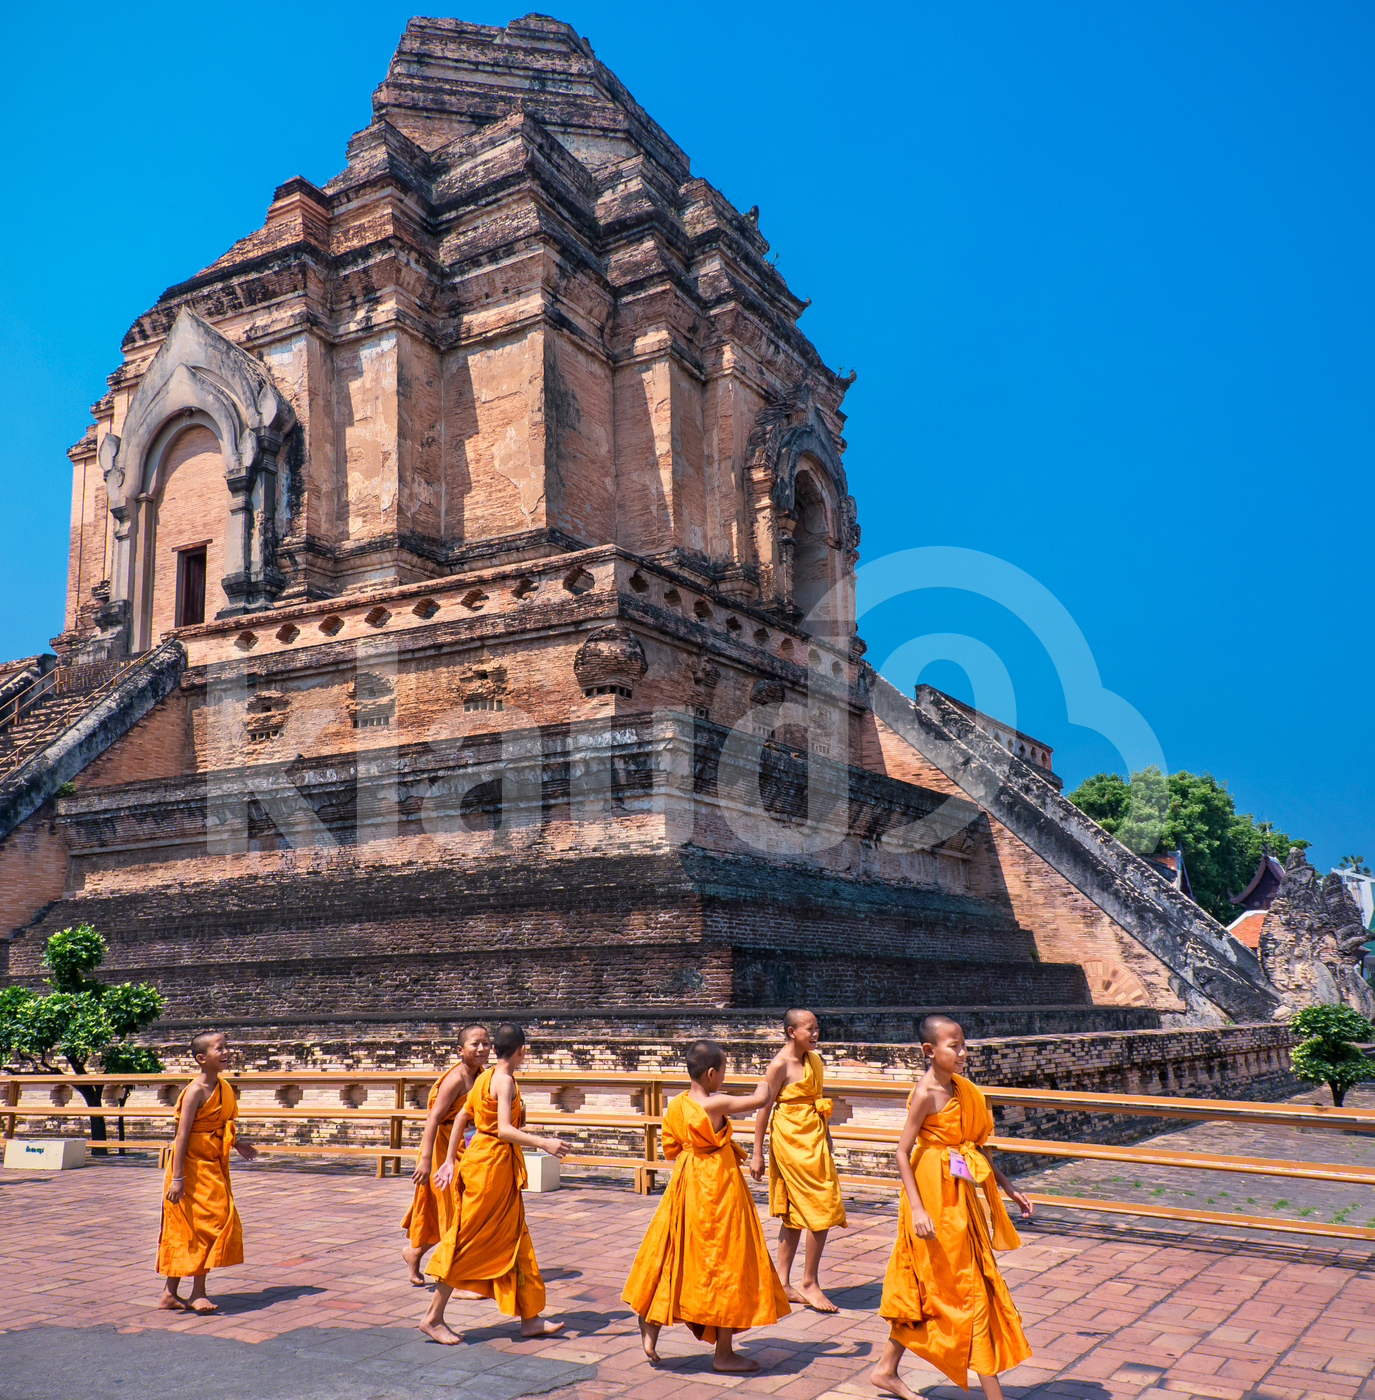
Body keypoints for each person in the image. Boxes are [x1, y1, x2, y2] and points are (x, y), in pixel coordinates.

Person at [871, 1014, 1033, 1400]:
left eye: (963, 1045)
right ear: (930, 1051)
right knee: (963, 1288)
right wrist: (917, 1209)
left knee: (941, 1286)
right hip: (930, 1194)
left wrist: (1008, 1187)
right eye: (953, 1046)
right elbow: (900, 1151)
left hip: (960, 1195)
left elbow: (975, 1146)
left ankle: (885, 1369)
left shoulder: (963, 1089)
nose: (962, 1053)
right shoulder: (926, 1092)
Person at [622, 1038, 790, 1374]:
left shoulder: (678, 1103)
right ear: (712, 1073)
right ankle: (724, 1353)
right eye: (724, 1071)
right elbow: (761, 1099)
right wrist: (776, 1066)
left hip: (686, 1184)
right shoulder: (713, 1105)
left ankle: (651, 1322)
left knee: (674, 1252)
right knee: (726, 1262)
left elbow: (672, 1145)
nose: (724, 1078)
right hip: (716, 1188)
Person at [420, 1022, 569, 1344]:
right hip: (490, 1168)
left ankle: (530, 1317)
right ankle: (433, 1317)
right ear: (521, 1051)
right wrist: (543, 1142)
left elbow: (462, 1117)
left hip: (489, 1165)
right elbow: (502, 1129)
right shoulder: (502, 1081)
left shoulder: (485, 1077)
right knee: (468, 1240)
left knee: (517, 1238)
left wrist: (449, 1159)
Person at [749, 1007, 846, 1313]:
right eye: (810, 1029)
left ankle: (783, 1282)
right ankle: (809, 1282)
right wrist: (756, 1152)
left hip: (813, 1136)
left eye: (817, 1028)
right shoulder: (779, 1065)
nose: (816, 1034)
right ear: (792, 1032)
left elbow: (818, 1096)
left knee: (798, 1213)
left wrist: (826, 1134)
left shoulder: (814, 1060)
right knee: (823, 1204)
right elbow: (763, 1108)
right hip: (789, 1140)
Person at [156, 1030, 259, 1314]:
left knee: (203, 1224)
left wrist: (237, 1143)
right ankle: (198, 1291)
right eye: (219, 1049)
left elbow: (221, 1123)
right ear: (202, 1058)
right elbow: (182, 1136)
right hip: (189, 1168)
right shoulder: (194, 1091)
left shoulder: (224, 1087)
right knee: (197, 1226)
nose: (226, 1053)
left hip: (213, 1164)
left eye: (227, 1047)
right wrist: (177, 1178)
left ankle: (169, 1294)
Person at [401, 1024, 492, 1285]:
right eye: (475, 1044)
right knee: (452, 1210)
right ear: (460, 1050)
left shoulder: (481, 1075)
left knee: (461, 1210)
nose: (482, 1049)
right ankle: (456, 1278)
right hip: (442, 1150)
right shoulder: (456, 1078)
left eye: (485, 1043)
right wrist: (426, 1160)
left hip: (465, 1147)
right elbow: (433, 1118)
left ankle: (415, 1252)